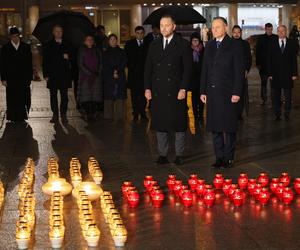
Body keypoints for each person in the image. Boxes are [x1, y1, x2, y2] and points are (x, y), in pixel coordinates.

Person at [144, 15, 192, 166]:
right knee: (160, 123)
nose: (164, 28)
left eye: (167, 25)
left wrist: (184, 88)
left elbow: (188, 69)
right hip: (158, 89)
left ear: (174, 26)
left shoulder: (183, 44)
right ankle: (162, 154)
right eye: (161, 25)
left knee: (178, 124)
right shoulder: (154, 44)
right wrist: (147, 88)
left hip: (177, 90)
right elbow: (148, 68)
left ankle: (179, 154)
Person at [200, 17, 244, 168]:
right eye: (213, 28)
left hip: (228, 92)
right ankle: (219, 157)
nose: (215, 30)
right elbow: (205, 69)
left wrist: (237, 92)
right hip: (212, 92)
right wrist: (203, 90)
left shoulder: (234, 45)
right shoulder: (210, 45)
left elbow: (239, 71)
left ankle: (229, 157)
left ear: (226, 27)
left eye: (218, 27)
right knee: (215, 126)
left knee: (228, 126)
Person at [0, 27, 33, 122]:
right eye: (13, 36)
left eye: (16, 36)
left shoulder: (25, 47)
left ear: (19, 36)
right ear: (10, 37)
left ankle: (22, 116)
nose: (15, 38)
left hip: (23, 78)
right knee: (11, 97)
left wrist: (29, 78)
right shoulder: (5, 48)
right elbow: (2, 64)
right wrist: (3, 79)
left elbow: (29, 64)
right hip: (10, 78)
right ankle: (12, 116)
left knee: (23, 96)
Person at [42, 25, 72, 123]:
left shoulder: (68, 44)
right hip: (52, 74)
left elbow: (73, 58)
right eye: (56, 31)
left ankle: (63, 114)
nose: (58, 33)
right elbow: (45, 61)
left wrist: (68, 57)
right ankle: (55, 114)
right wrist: (45, 74)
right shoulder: (48, 45)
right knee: (53, 96)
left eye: (60, 31)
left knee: (64, 96)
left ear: (62, 33)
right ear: (53, 33)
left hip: (64, 74)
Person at [268, 25, 298, 121]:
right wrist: (270, 73)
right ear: (277, 32)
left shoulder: (292, 43)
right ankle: (277, 113)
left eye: (283, 31)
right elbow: (270, 60)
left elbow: (294, 60)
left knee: (288, 96)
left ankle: (287, 113)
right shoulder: (272, 43)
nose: (281, 33)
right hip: (275, 74)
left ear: (286, 31)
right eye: (279, 31)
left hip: (288, 74)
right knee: (276, 96)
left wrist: (294, 74)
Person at [125, 26, 148, 122]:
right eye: (138, 33)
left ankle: (142, 113)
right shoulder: (129, 44)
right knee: (134, 96)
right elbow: (126, 59)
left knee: (143, 95)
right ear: (135, 34)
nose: (139, 35)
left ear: (144, 34)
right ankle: (135, 113)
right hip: (133, 75)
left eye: (141, 33)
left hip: (144, 75)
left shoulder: (148, 44)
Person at [77, 35, 103, 122]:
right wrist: (89, 73)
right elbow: (80, 64)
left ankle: (94, 113)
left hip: (96, 76)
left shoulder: (97, 50)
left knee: (95, 96)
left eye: (91, 39)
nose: (90, 41)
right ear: (84, 41)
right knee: (86, 96)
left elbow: (101, 61)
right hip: (85, 77)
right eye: (88, 39)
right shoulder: (81, 50)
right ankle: (87, 114)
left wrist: (98, 72)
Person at [102, 34, 127, 121]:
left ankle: (120, 116)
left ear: (117, 41)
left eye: (114, 39)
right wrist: (112, 72)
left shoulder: (122, 52)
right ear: (108, 41)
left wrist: (117, 71)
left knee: (120, 97)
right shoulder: (104, 53)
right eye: (111, 39)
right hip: (109, 77)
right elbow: (104, 65)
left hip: (120, 76)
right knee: (109, 97)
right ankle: (108, 116)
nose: (113, 41)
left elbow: (124, 62)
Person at [232, 25, 252, 120]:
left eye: (238, 32)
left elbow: (249, 59)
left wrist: (246, 70)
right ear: (232, 33)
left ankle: (239, 113)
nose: (236, 34)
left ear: (241, 33)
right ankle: (231, 112)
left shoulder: (245, 44)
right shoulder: (228, 43)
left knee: (241, 93)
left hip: (241, 73)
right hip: (229, 74)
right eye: (234, 32)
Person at [255, 23, 278, 105]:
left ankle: (273, 99)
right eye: (268, 29)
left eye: (270, 29)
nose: (269, 31)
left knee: (273, 85)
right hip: (263, 66)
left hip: (274, 66)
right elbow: (257, 51)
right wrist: (258, 64)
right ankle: (264, 99)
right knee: (263, 84)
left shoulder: (276, 38)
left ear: (272, 29)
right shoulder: (261, 38)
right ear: (265, 29)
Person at [190, 32, 204, 121]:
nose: (195, 42)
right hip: (192, 79)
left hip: (201, 78)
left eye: (197, 40)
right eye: (193, 40)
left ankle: (201, 114)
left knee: (201, 97)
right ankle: (195, 114)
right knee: (194, 98)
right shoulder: (188, 50)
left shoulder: (203, 49)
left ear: (199, 41)